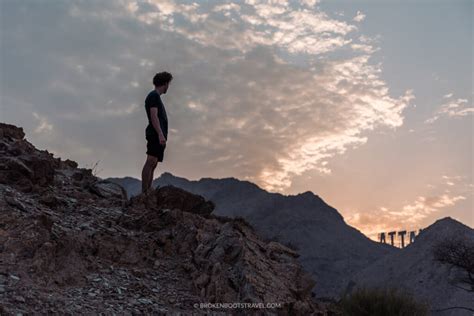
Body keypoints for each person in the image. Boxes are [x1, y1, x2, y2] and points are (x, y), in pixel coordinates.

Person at [141, 71, 173, 194]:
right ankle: (145, 192)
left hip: (158, 135)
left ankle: (149, 191)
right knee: (150, 161)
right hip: (155, 134)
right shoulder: (153, 96)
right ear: (165, 83)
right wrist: (160, 133)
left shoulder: (156, 97)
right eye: (168, 84)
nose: (168, 87)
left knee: (153, 163)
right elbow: (154, 116)